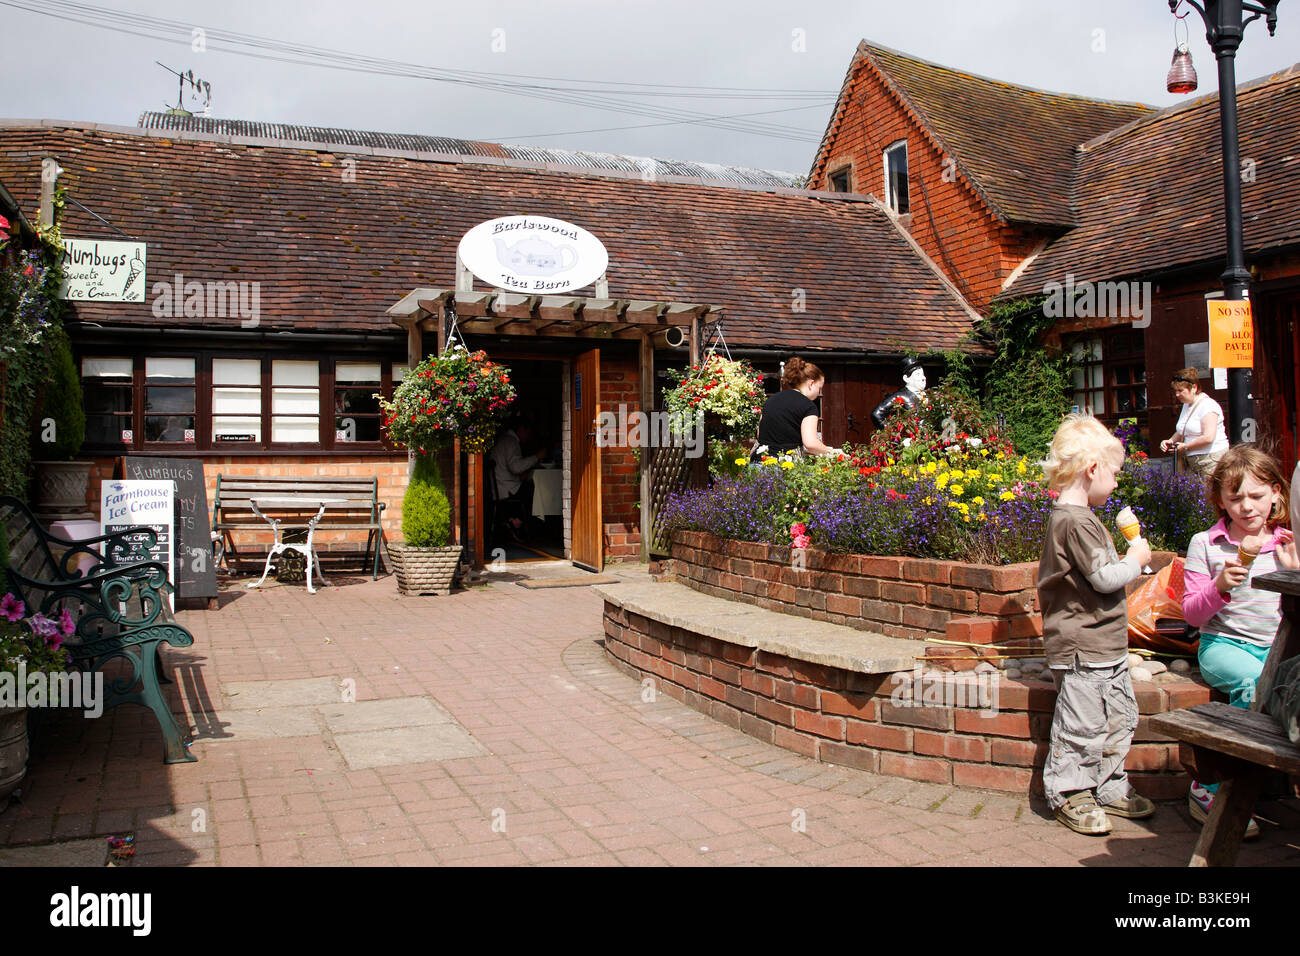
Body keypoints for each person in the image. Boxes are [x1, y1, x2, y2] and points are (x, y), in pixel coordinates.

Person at [1038, 413, 1155, 835]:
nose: (1117, 483)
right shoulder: (1074, 521)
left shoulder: (1079, 517)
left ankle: (1107, 784)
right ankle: (1071, 792)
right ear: (1093, 470)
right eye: (1116, 473)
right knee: (1082, 724)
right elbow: (1104, 578)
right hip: (1082, 646)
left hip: (1105, 644)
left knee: (1118, 717)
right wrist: (1136, 561)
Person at [1182, 445, 1298, 837]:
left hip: (1279, 649)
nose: (1247, 507)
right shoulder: (1206, 544)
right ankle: (1211, 788)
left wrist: (1294, 576)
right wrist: (1219, 587)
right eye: (1235, 498)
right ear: (1220, 500)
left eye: (1257, 496)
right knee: (1255, 685)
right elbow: (1193, 615)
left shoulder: (1288, 543)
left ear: (1277, 494)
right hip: (1226, 646)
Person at [754, 357, 840, 458]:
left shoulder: (770, 401)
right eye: (819, 388)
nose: (818, 393)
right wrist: (834, 453)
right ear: (811, 384)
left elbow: (760, 434)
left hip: (758, 462)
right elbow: (811, 443)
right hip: (785, 465)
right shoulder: (808, 406)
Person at [1160, 368, 1228, 477]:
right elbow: (1183, 429)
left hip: (1211, 460)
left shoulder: (1208, 406)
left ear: (1194, 388)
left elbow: (1208, 437)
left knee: (1210, 492)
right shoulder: (1186, 405)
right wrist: (1170, 440)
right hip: (1192, 461)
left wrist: (1186, 446)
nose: (1177, 395)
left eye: (1181, 391)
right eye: (1176, 391)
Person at [488, 416, 539, 541]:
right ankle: (519, 522)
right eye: (528, 432)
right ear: (521, 429)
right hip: (506, 489)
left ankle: (512, 520)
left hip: (499, 486)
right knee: (535, 489)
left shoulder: (504, 440)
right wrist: (537, 457)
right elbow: (515, 467)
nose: (529, 436)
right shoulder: (511, 442)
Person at [870, 356, 928, 429]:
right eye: (918, 375)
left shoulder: (927, 395)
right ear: (906, 379)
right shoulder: (901, 396)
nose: (923, 378)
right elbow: (876, 414)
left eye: (923, 374)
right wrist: (892, 431)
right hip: (913, 438)